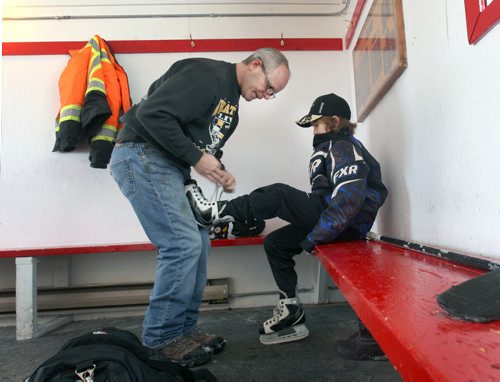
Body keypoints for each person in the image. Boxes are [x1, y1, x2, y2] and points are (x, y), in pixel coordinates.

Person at [109, 48, 291, 367]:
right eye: (270, 87)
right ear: (255, 64)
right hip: (143, 156)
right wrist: (197, 160)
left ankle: (182, 331)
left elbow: (199, 146)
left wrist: (216, 169)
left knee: (200, 243)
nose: (267, 95)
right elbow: (150, 115)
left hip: (167, 165)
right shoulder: (207, 75)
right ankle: (160, 340)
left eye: (273, 93)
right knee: (181, 245)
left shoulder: (231, 102)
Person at [186, 93, 388, 359]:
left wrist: (316, 236)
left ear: (335, 121)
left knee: (279, 194)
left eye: (316, 125)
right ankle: (291, 308)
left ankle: (213, 212)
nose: (313, 132)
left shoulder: (343, 146)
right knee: (276, 243)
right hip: (332, 220)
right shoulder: (330, 148)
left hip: (343, 225)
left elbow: (349, 200)